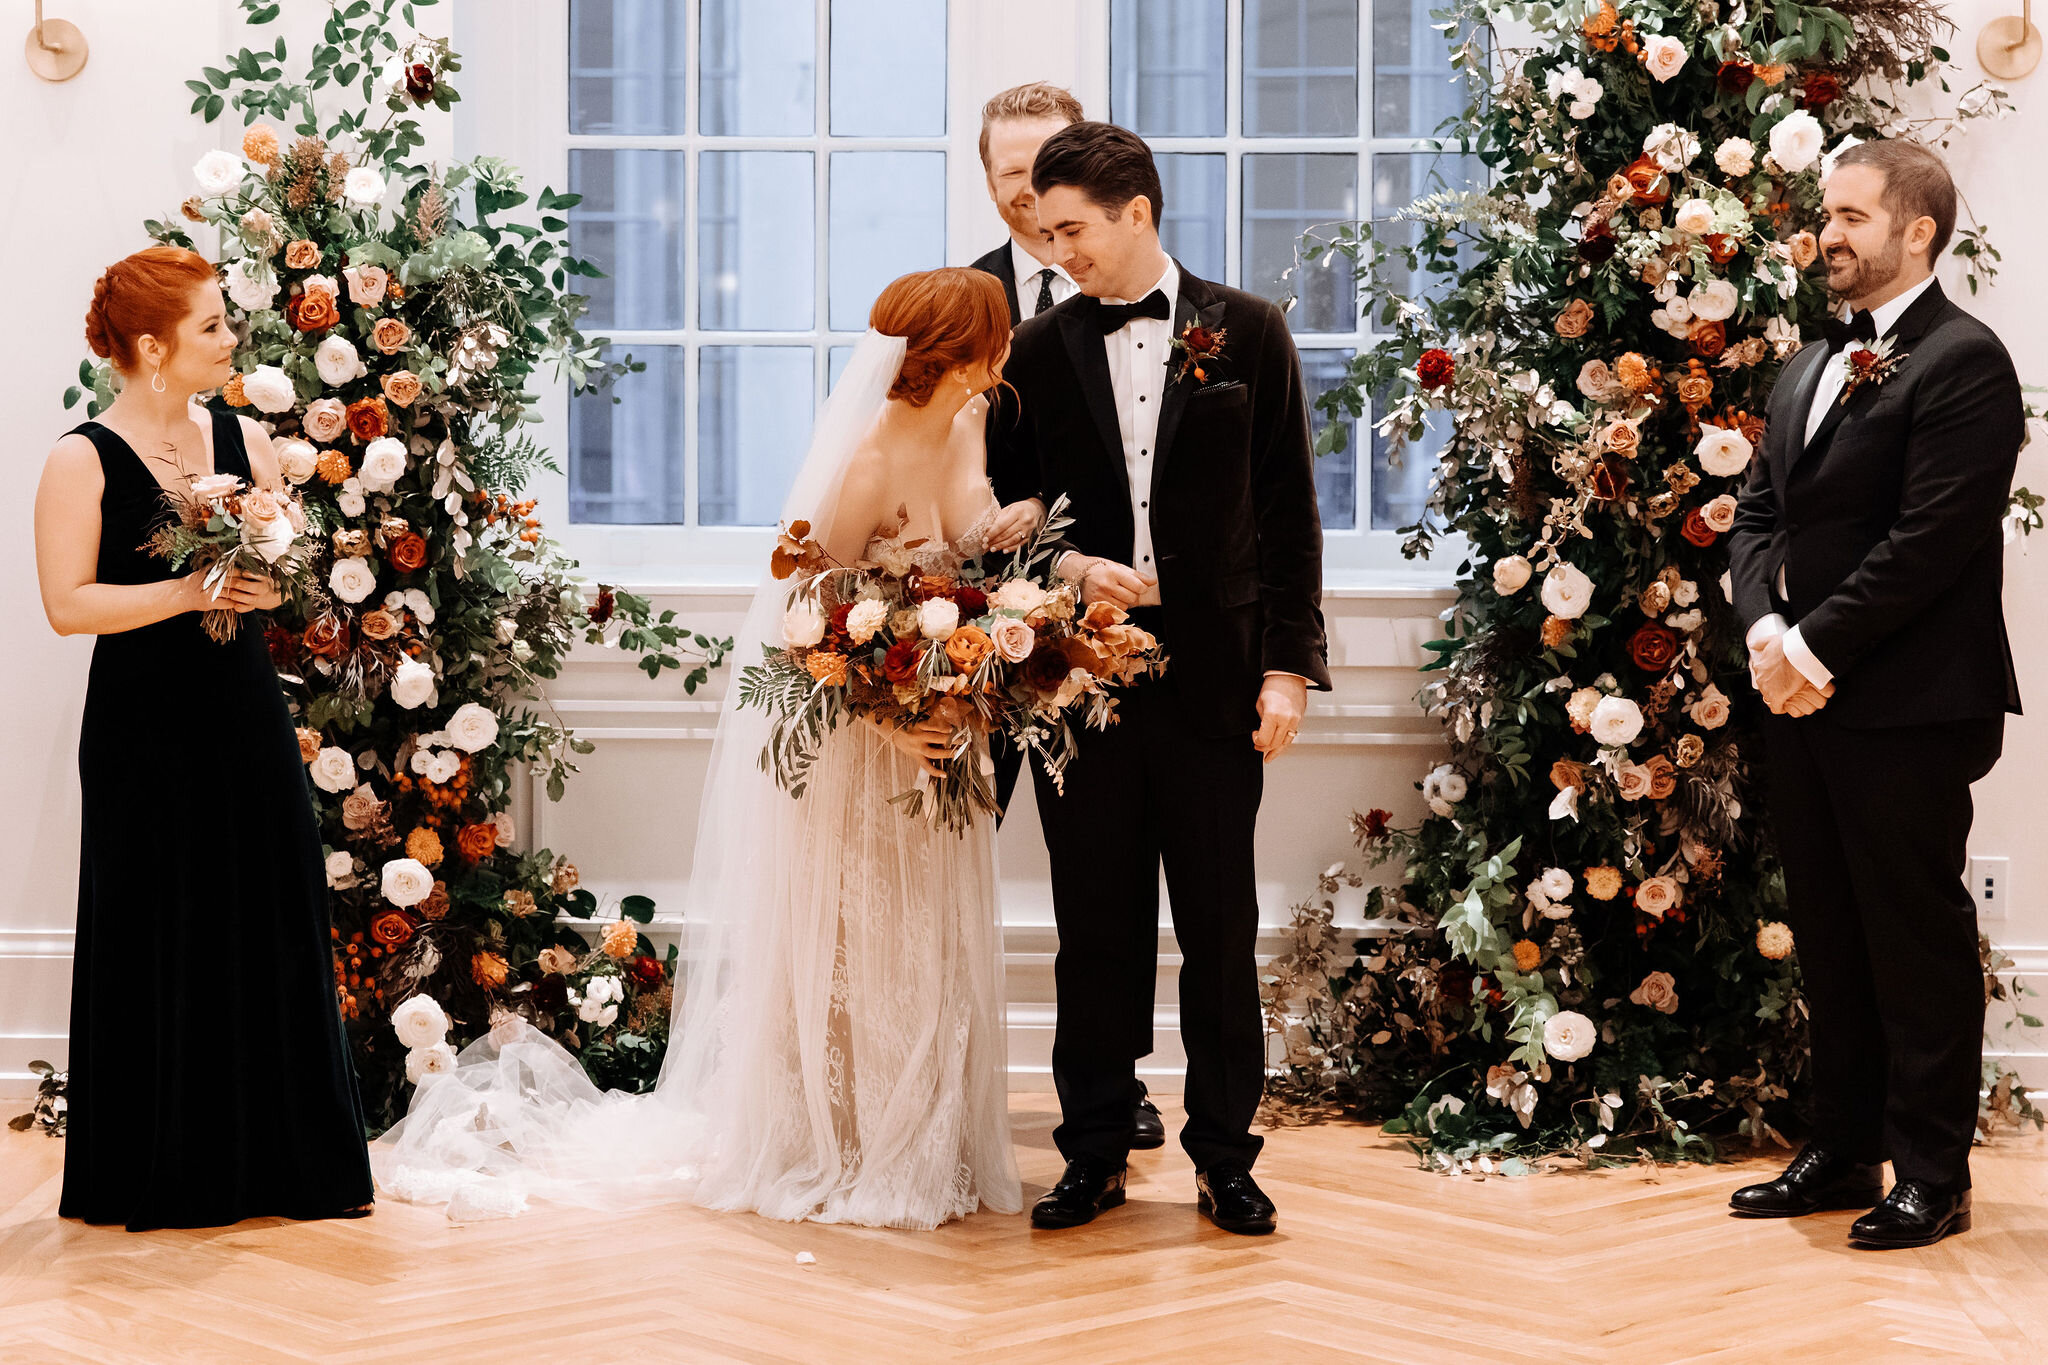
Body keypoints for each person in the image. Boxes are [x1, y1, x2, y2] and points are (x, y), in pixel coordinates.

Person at [374, 269, 1024, 1230]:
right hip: (863, 738)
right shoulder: (869, 466)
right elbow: (810, 621)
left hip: (944, 727)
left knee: (929, 935)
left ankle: (931, 1137)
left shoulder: (969, 420)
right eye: (998, 337)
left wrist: (1006, 574)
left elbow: (970, 531)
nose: (1007, 353)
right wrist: (893, 717)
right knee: (859, 939)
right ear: (968, 351)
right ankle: (841, 1145)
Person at [992, 122, 1330, 1235]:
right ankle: (1089, 1150)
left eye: (1074, 231)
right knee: (1094, 926)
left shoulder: (1252, 331)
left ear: (1136, 212)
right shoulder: (1035, 351)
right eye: (1047, 235)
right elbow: (1003, 520)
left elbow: (1288, 516)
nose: (1060, 252)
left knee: (1219, 929)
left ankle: (1225, 1155)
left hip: (1218, 682)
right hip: (1077, 684)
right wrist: (1064, 564)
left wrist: (1285, 670)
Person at [33, 246, 375, 1230]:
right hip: (144, 726)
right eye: (214, 326)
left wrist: (270, 574)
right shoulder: (80, 458)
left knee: (268, 912)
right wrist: (190, 590)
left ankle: (284, 1162)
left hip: (241, 710)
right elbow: (67, 605)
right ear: (152, 347)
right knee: (158, 922)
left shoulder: (241, 439)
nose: (233, 339)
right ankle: (164, 1170)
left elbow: (275, 568)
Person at [1726, 139, 2024, 1249]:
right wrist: (1762, 628)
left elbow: (1927, 544)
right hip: (1797, 694)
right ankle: (1843, 1147)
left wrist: (1804, 653)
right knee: (1829, 934)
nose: (1827, 233)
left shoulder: (1963, 362)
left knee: (1912, 937)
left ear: (1916, 233)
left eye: (1851, 215)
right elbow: (1758, 515)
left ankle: (1932, 1173)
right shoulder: (1807, 360)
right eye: (1824, 214)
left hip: (1905, 703)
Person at [969, 81, 1082, 826]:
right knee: (958, 836)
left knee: (1096, 870)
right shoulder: (965, 297)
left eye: (1047, 163)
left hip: (1101, 624)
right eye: (1012, 172)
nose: (1030, 187)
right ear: (989, 182)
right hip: (977, 622)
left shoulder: (1143, 293)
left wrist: (1050, 502)